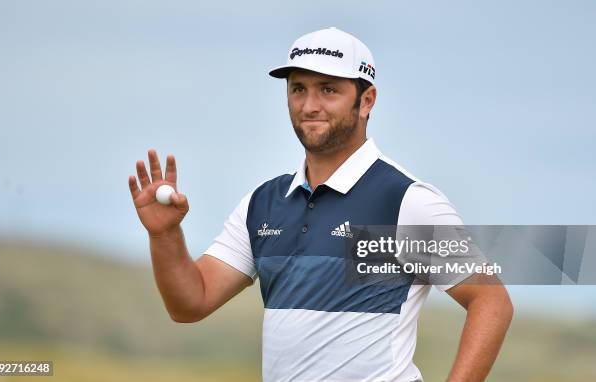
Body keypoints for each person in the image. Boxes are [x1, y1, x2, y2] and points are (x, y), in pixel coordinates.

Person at [128, 27, 513, 382]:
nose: (309, 105)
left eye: (328, 90)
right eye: (299, 89)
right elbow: (190, 303)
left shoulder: (405, 201)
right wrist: (165, 235)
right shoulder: (263, 203)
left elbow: (490, 302)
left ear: (367, 101)